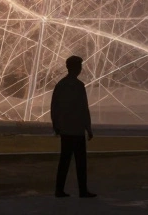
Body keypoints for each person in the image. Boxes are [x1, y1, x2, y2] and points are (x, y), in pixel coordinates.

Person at [51, 55, 96, 198]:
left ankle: (60, 189)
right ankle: (82, 190)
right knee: (80, 161)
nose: (81, 69)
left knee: (65, 160)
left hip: (66, 129)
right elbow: (83, 108)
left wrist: (56, 125)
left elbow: (55, 107)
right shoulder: (78, 86)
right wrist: (88, 127)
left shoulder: (61, 85)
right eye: (79, 66)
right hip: (76, 129)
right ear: (76, 68)